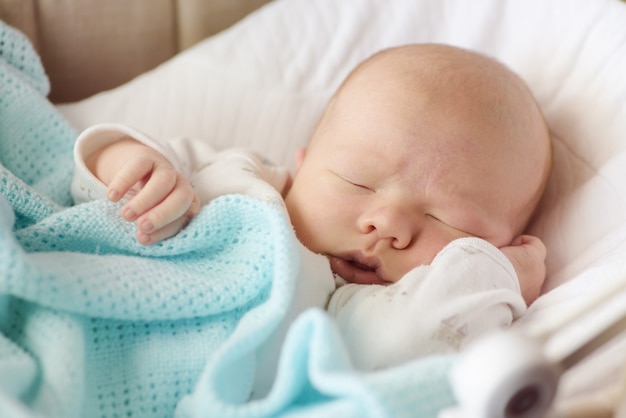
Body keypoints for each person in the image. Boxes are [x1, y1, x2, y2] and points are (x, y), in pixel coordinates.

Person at [72, 43, 552, 371]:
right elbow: (86, 183)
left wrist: (494, 273)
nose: (386, 224)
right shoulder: (239, 175)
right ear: (301, 165)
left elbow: (413, 344)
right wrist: (129, 164)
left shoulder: (360, 316)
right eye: (356, 180)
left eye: (449, 220)